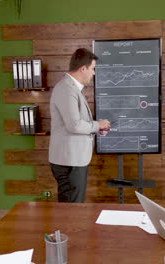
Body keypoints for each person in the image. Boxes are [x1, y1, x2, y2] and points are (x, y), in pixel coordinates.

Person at [49, 48, 111, 203]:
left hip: (73, 159)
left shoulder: (72, 88)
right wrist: (97, 125)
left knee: (72, 205)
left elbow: (74, 123)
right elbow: (74, 125)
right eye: (92, 69)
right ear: (83, 68)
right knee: (72, 207)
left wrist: (97, 129)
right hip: (69, 161)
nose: (94, 73)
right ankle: (68, 229)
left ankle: (68, 229)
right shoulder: (66, 89)